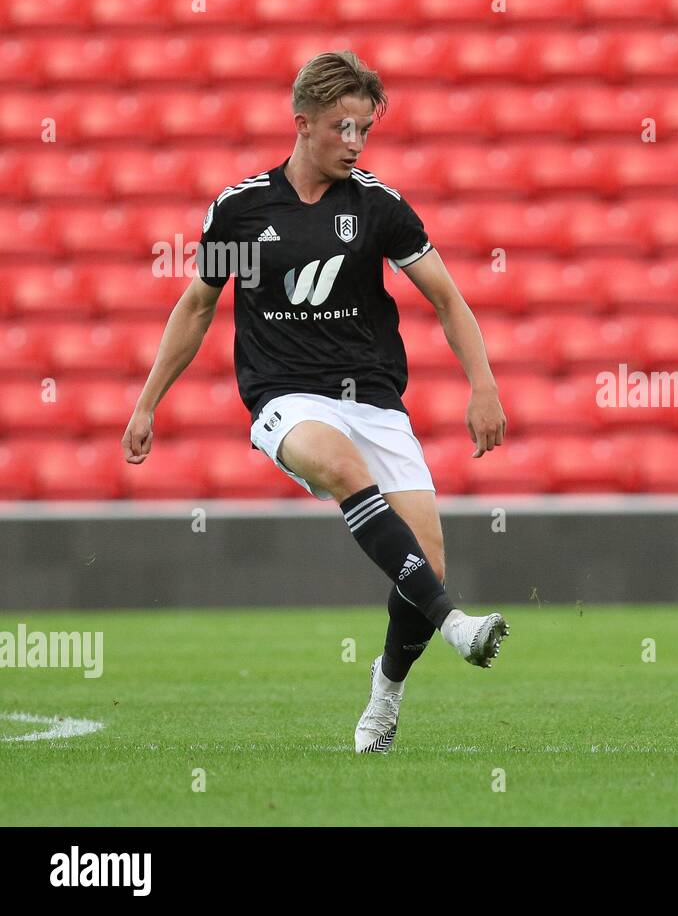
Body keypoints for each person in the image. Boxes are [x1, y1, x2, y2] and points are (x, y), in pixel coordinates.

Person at [123, 51, 510, 754]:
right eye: (343, 128)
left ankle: (385, 694)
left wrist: (482, 384)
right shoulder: (243, 212)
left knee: (426, 565)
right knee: (339, 467)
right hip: (285, 398)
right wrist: (148, 401)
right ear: (303, 125)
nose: (356, 143)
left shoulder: (378, 207)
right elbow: (198, 307)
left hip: (374, 400)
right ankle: (457, 626)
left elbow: (447, 299)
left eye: (364, 129)